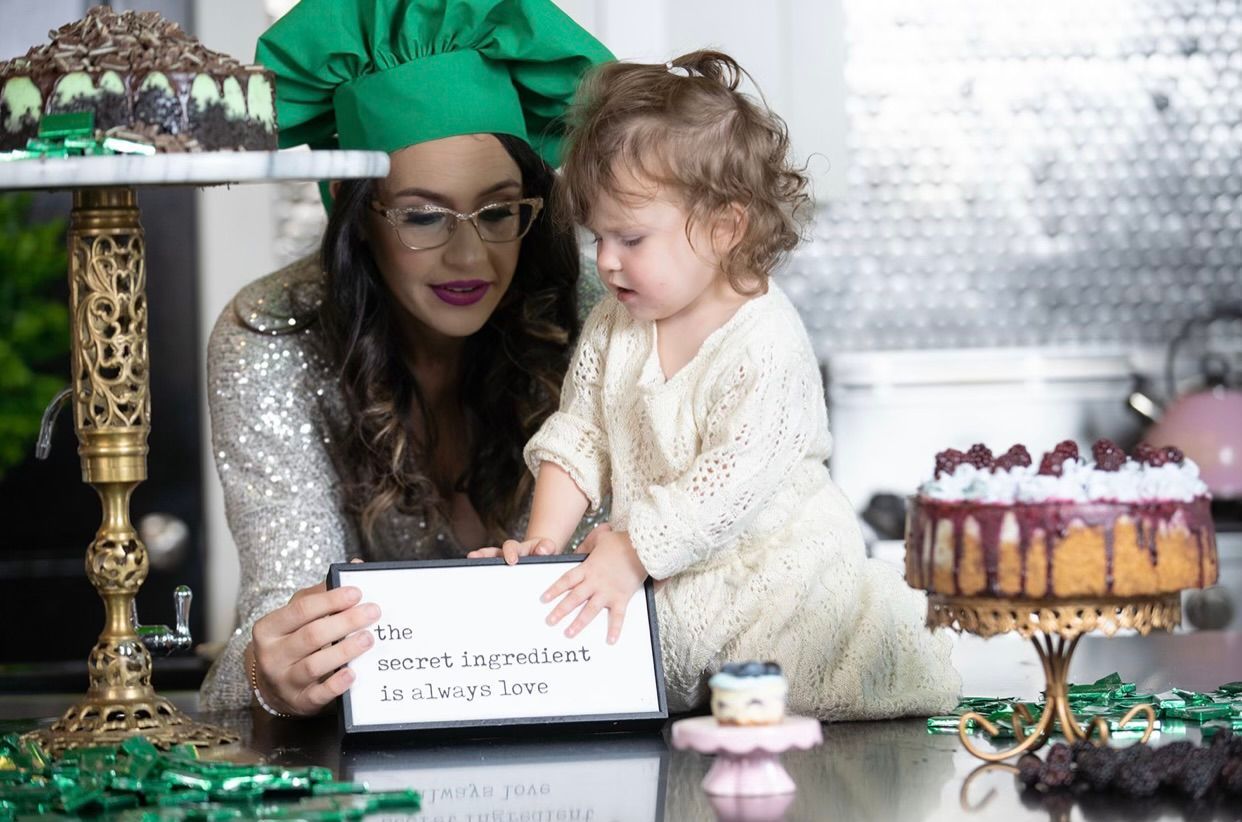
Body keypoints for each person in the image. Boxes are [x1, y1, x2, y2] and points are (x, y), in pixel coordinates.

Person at [469, 50, 961, 719]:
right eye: (598, 238)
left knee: (786, 684)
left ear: (725, 228)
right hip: (666, 571)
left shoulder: (764, 339)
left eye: (632, 239)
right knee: (645, 675)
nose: (607, 262)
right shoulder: (617, 326)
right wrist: (544, 541)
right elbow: (579, 433)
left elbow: (733, 476)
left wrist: (636, 547)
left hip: (774, 574)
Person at [198, 0, 612, 716]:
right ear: (358, 217)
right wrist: (272, 676)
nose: (468, 255)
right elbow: (265, 633)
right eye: (422, 214)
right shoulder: (270, 337)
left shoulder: (601, 311)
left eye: (498, 210)